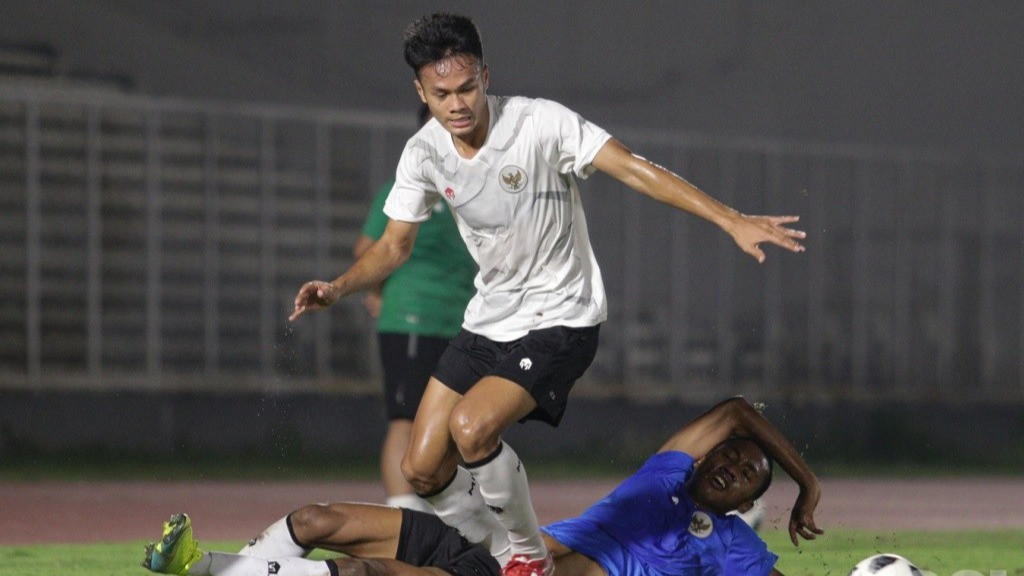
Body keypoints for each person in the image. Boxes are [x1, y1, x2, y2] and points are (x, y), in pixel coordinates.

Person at [288, 12, 807, 576]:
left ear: (486, 76)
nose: (457, 103)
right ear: (422, 91)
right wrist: (338, 287)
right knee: (420, 469)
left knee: (472, 428)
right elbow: (393, 246)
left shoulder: (540, 124)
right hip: (490, 317)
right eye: (442, 94)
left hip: (563, 317)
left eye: (467, 88)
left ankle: (527, 558)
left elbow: (632, 169)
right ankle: (487, 552)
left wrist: (729, 219)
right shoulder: (423, 153)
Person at [141, 397, 822, 576]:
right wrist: (806, 483)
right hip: (496, 548)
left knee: (367, 572)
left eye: (748, 476)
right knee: (315, 521)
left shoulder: (734, 550)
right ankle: (197, 566)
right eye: (732, 457)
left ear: (744, 505)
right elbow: (734, 412)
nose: (734, 465)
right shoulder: (665, 475)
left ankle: (198, 569)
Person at [355, 103, 477, 513]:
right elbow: (369, 248)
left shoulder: (476, 188)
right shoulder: (404, 186)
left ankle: (445, 514)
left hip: (463, 323)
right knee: (405, 420)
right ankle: (405, 516)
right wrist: (377, 288)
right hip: (413, 318)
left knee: (452, 426)